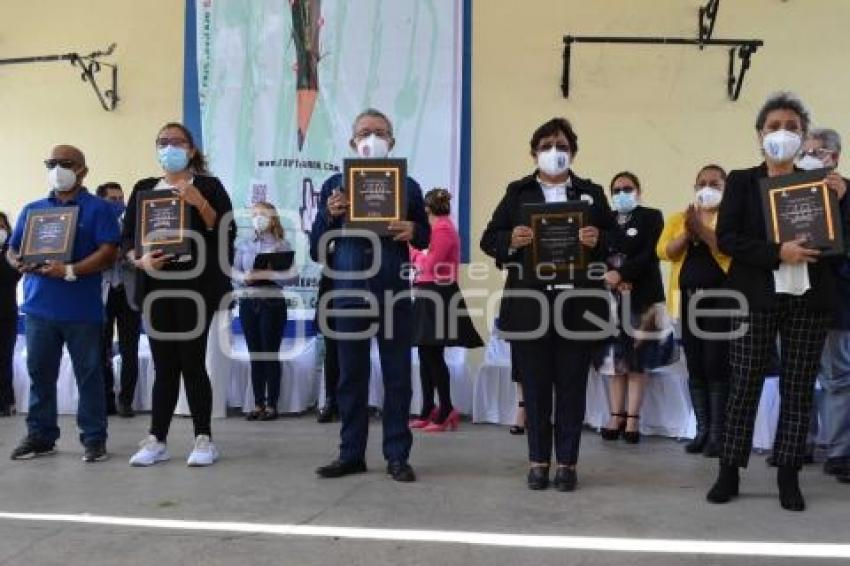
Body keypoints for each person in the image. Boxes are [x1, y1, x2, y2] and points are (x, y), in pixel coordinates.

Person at [708, 92, 847, 511]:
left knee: (799, 387)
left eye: (791, 127)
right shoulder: (742, 182)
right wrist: (777, 253)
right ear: (759, 135)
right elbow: (729, 238)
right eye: (773, 127)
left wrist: (841, 202)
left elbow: (841, 244)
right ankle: (729, 470)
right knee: (745, 383)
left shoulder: (826, 184)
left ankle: (789, 475)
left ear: (804, 136)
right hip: (756, 296)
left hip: (810, 298)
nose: (781, 134)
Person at [481, 117, 614, 491]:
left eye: (561, 146)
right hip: (530, 306)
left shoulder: (592, 193)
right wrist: (513, 238)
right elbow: (489, 239)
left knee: (572, 388)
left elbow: (617, 242)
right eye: (545, 146)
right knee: (536, 388)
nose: (554, 152)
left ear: (573, 151)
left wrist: (598, 238)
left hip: (579, 306)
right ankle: (538, 461)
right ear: (533, 152)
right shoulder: (518, 191)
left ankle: (567, 464)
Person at [310, 108, 430, 482]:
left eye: (379, 132)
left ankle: (397, 455)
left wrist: (413, 227)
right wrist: (330, 217)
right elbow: (317, 247)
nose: (372, 138)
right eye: (365, 132)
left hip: (393, 291)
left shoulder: (408, 186)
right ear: (352, 142)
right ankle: (351, 454)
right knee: (350, 377)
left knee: (397, 377)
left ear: (391, 142)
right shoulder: (333, 186)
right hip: (347, 293)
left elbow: (424, 237)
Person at [124, 122, 235, 467]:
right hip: (156, 286)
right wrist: (138, 260)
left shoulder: (209, 185)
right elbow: (127, 239)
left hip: (193, 285)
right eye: (162, 142)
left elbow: (226, 229)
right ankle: (157, 438)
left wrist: (199, 202)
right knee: (164, 365)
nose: (169, 147)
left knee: (192, 362)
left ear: (191, 149)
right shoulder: (144, 188)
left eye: (177, 141)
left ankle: (204, 438)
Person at [7, 145, 119, 462]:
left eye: (65, 163)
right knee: (40, 375)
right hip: (38, 309)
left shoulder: (99, 209)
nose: (57, 169)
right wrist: (19, 263)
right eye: (51, 163)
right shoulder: (33, 209)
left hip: (82, 311)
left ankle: (94, 439)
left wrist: (70, 270)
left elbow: (109, 252)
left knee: (89, 376)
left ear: (82, 169)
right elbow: (13, 250)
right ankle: (41, 436)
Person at [656, 165, 731, 457]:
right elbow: (664, 251)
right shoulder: (679, 218)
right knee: (696, 365)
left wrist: (703, 230)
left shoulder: (729, 219)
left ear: (725, 188)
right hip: (687, 302)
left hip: (721, 303)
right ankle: (702, 430)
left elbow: (728, 251)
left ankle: (718, 435)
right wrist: (688, 233)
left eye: (714, 183)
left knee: (716, 364)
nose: (707, 187)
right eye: (702, 182)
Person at [595, 172, 665, 445]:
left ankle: (633, 418)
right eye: (616, 189)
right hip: (611, 298)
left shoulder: (651, 217)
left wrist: (624, 276)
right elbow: (598, 254)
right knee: (615, 360)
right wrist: (609, 277)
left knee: (637, 360)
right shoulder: (605, 221)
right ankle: (616, 415)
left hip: (642, 296)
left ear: (638, 190)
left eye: (627, 188)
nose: (622, 193)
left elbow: (649, 254)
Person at [797, 128, 850, 482]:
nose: (812, 157)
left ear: (835, 157)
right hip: (798, 296)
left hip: (839, 299)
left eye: (819, 152)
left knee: (837, 376)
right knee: (798, 374)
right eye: (808, 152)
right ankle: (800, 442)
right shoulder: (794, 194)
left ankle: (840, 451)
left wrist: (842, 201)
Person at [409, 188, 482, 432]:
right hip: (428, 292)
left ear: (426, 209)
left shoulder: (442, 229)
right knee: (425, 352)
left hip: (437, 294)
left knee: (433, 355)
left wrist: (411, 252)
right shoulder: (439, 228)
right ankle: (428, 407)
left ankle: (446, 408)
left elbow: (431, 264)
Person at [233, 201, 292, 421]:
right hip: (249, 302)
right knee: (255, 354)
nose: (257, 217)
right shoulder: (244, 245)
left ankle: (272, 404)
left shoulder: (282, 245)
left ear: (272, 218)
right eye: (254, 214)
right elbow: (234, 273)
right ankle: (257, 403)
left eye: (262, 214)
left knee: (270, 353)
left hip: (273, 301)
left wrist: (272, 273)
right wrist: (245, 277)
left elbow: (292, 276)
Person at [96, 182, 141, 418]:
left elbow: (142, 254)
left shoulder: (132, 225)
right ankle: (106, 399)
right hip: (102, 293)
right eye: (113, 199)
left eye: (121, 198)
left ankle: (126, 400)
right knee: (101, 348)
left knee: (129, 349)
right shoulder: (95, 225)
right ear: (101, 201)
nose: (119, 203)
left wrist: (131, 255)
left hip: (129, 292)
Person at [315, 250, 340, 424]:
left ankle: (351, 402)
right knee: (331, 357)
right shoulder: (330, 230)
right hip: (330, 303)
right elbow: (316, 252)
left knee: (355, 357)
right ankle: (331, 401)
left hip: (358, 298)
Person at [0, 212, 21, 417]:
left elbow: (14, 275)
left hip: (6, 311)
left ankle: (6, 401)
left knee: (5, 357)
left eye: (2, 227)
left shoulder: (12, 253)